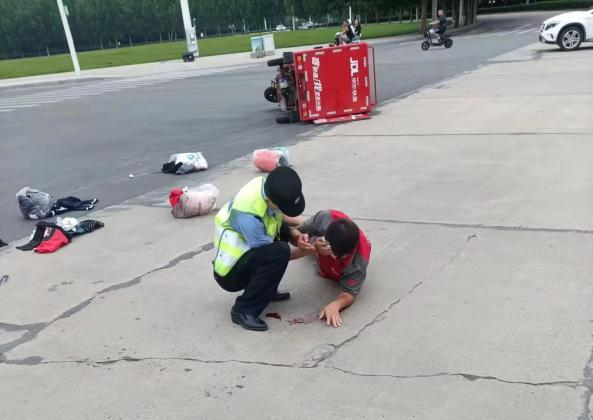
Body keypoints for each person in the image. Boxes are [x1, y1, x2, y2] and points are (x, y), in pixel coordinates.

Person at [212, 166, 312, 332]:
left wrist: (298, 234)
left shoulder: (266, 185)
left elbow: (277, 220)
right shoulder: (249, 217)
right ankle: (243, 310)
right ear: (271, 201)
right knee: (279, 252)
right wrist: (310, 251)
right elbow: (274, 257)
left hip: (247, 253)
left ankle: (267, 291)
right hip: (230, 274)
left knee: (279, 239)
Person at [289, 210, 371, 328]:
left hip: (334, 268)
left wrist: (336, 304)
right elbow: (292, 233)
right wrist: (301, 240)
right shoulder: (325, 218)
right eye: (328, 249)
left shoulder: (359, 262)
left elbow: (350, 292)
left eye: (337, 256)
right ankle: (295, 220)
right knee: (299, 229)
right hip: (317, 240)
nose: (332, 256)